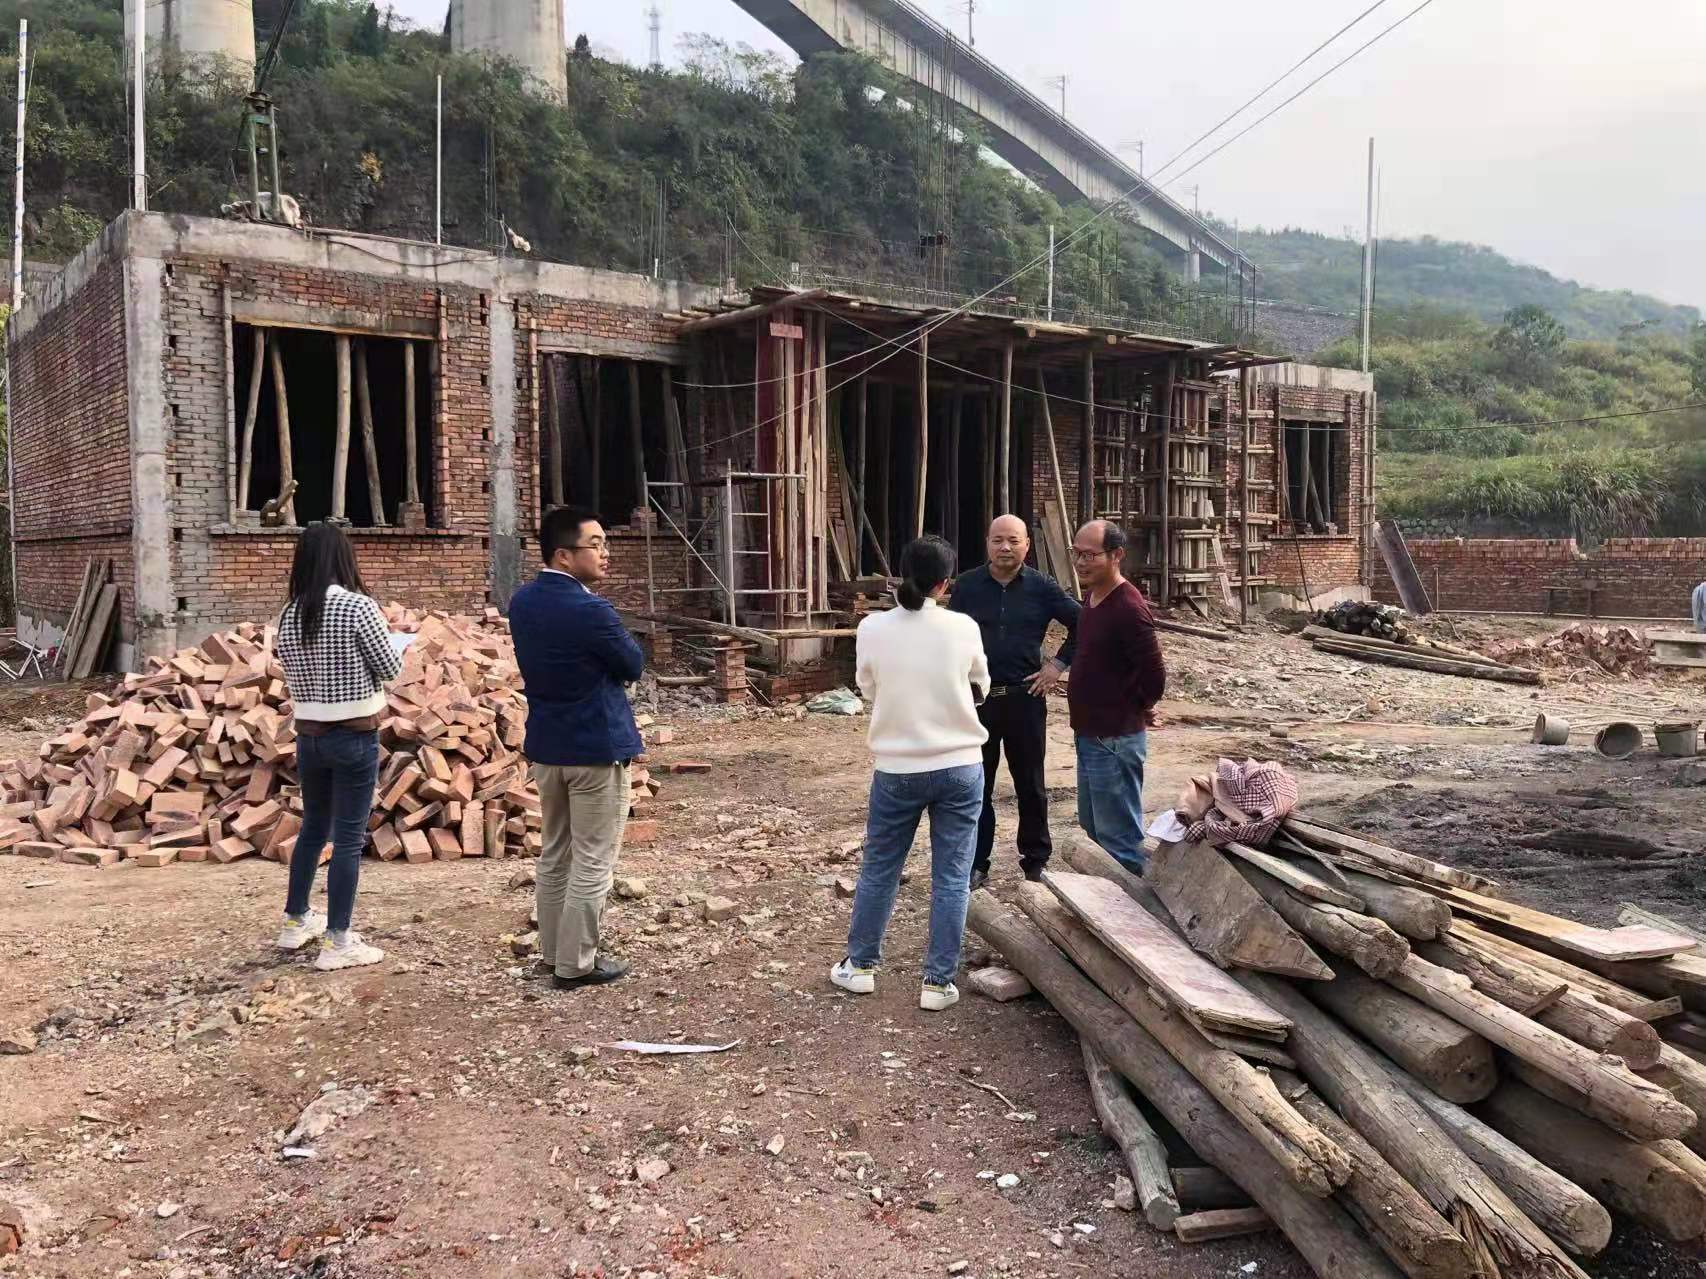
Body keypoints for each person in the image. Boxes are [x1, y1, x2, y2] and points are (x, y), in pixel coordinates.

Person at [832, 536, 990, 1012]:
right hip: (960, 765)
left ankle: (860, 967)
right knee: (952, 876)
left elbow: (867, 688)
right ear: (946, 583)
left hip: (898, 767)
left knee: (881, 868)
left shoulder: (872, 627)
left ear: (900, 574)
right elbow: (980, 685)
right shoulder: (963, 626)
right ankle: (938, 983)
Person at [508, 506, 645, 991]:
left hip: (548, 747)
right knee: (592, 858)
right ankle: (577, 963)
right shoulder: (591, 610)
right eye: (596, 544)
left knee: (556, 853)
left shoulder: (522, 603)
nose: (605, 553)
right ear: (564, 555)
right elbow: (632, 663)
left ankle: (553, 954)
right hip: (595, 750)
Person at [274, 522, 404, 971]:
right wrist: (400, 648)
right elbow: (389, 668)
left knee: (313, 829)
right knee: (348, 839)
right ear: (342, 558)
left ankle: (295, 921)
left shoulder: (290, 612)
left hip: (309, 737)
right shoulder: (357, 606)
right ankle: (338, 941)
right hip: (354, 735)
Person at [949, 514, 1079, 888]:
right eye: (998, 540)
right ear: (988, 544)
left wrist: (1056, 665)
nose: (1005, 547)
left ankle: (1036, 862)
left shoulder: (1041, 586)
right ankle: (977, 862)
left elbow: (1082, 622)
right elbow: (949, 636)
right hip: (978, 702)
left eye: (1013, 541)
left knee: (1031, 785)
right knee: (978, 784)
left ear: (1027, 545)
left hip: (1026, 699)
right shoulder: (967, 586)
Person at [1068, 520, 1165, 874]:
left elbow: (1154, 677)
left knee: (1119, 841)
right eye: (1077, 553)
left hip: (1113, 739)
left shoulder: (1128, 607)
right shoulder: (1093, 598)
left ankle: (1133, 904)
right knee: (1095, 830)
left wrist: (1136, 707)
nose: (1081, 562)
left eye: (1090, 555)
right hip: (1090, 734)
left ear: (1117, 555)